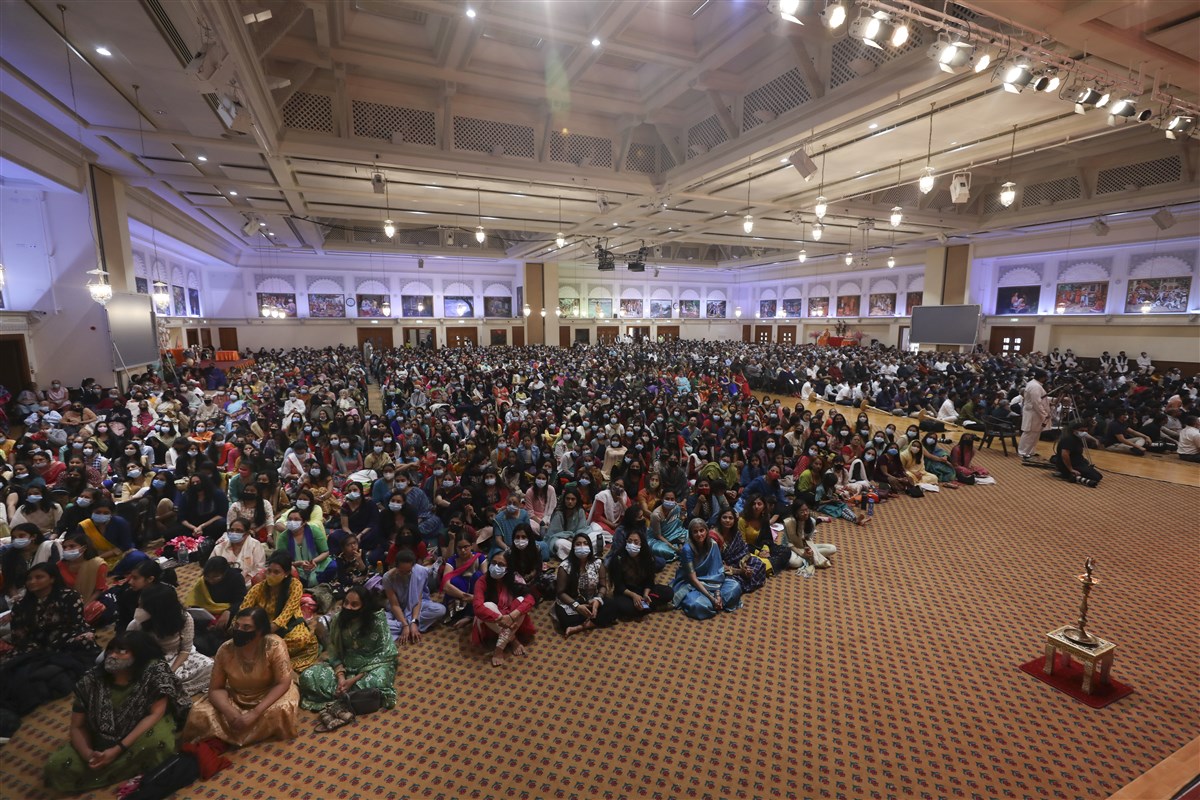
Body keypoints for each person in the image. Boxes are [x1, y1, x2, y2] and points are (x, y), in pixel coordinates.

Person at [43, 631, 192, 794]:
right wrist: (89, 755)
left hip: (138, 735)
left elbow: (155, 714)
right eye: (110, 650)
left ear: (138, 655)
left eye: (121, 651)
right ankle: (111, 765)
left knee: (158, 743)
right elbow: (77, 726)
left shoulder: (154, 671)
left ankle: (122, 765)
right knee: (55, 766)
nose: (112, 655)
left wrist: (117, 750)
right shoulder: (90, 682)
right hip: (101, 740)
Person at [182, 607, 300, 746]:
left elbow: (283, 683)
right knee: (198, 713)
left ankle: (233, 734)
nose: (239, 630)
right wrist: (230, 712)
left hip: (269, 695)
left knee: (282, 709)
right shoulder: (225, 649)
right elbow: (215, 689)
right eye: (237, 625)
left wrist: (255, 713)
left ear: (260, 631)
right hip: (237, 697)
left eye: (246, 627)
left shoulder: (274, 645)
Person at [0, 563, 101, 721]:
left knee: (84, 641)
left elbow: (76, 625)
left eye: (39, 577)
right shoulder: (21, 605)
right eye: (29, 579)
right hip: (36, 645)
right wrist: (36, 648)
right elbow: (19, 635)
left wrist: (52, 646)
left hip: (66, 638)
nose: (32, 582)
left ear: (52, 579)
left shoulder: (69, 596)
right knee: (10, 665)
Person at [299, 586, 397, 710]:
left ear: (364, 606)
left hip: (373, 667)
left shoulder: (377, 621)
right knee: (307, 676)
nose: (348, 607)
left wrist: (353, 680)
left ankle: (344, 694)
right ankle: (349, 695)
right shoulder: (338, 620)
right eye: (346, 603)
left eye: (354, 605)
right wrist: (341, 677)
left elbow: (386, 654)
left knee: (376, 682)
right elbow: (333, 650)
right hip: (346, 665)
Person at [239, 551, 320, 672]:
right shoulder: (258, 588)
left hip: (288, 623)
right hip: (262, 626)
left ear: (286, 573)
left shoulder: (295, 585)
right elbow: (243, 610)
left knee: (300, 639)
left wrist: (265, 633)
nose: (271, 575)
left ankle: (268, 656)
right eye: (269, 571)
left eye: (276, 572)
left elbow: (287, 613)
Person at [127, 583, 214, 695]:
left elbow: (185, 650)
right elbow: (132, 652)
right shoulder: (136, 624)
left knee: (209, 666)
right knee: (149, 681)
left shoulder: (184, 618)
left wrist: (171, 671)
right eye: (139, 605)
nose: (139, 610)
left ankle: (170, 689)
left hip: (178, 656)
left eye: (143, 607)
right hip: (153, 660)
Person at [472, 551, 536, 666]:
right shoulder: (482, 581)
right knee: (487, 606)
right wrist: (501, 619)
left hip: (512, 620)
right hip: (492, 623)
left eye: (501, 565)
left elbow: (530, 599)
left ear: (508, 569)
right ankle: (513, 640)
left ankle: (499, 648)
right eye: (493, 563)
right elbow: (478, 608)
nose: (496, 567)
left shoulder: (515, 579)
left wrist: (511, 616)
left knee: (522, 601)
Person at [670, 519, 742, 620]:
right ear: (691, 534)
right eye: (695, 532)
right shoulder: (687, 549)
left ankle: (717, 603)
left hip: (713, 581)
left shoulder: (713, 544)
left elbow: (717, 572)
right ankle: (716, 603)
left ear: (706, 531)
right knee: (696, 604)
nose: (699, 534)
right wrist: (712, 598)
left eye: (701, 530)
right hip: (693, 584)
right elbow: (693, 579)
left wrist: (717, 593)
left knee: (735, 586)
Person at [553, 533, 618, 637]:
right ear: (573, 547)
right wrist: (577, 606)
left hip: (592, 600)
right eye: (578, 544)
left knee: (613, 606)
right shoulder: (565, 567)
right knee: (566, 620)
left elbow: (603, 586)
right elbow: (561, 593)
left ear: (590, 547)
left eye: (585, 543)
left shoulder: (597, 563)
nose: (582, 547)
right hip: (572, 602)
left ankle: (581, 627)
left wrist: (598, 600)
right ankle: (593, 621)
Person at [186, 556, 247, 657]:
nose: (211, 580)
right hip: (208, 612)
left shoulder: (236, 578)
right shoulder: (203, 581)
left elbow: (242, 600)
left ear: (224, 573)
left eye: (215, 577)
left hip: (228, 611)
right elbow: (197, 601)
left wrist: (228, 611)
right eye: (208, 577)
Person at [382, 549, 446, 643]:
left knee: (440, 610)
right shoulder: (387, 578)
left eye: (408, 571)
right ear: (396, 566)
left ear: (413, 566)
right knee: (380, 624)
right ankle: (408, 628)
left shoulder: (419, 571)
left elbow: (418, 600)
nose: (405, 574)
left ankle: (409, 627)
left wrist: (414, 621)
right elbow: (394, 605)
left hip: (417, 606)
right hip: (398, 609)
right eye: (401, 571)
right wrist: (405, 625)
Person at [607, 530, 672, 620]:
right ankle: (648, 608)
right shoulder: (618, 558)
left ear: (642, 544)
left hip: (642, 589)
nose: (632, 544)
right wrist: (634, 596)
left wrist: (645, 594)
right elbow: (619, 586)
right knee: (624, 607)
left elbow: (649, 581)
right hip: (626, 592)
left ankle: (642, 608)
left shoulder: (648, 557)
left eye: (636, 542)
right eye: (629, 541)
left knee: (668, 592)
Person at [274, 508, 335, 587]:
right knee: (286, 573)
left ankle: (311, 583)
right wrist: (298, 563)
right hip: (296, 567)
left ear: (304, 522)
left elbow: (325, 552)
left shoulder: (314, 531)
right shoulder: (283, 537)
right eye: (290, 519)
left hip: (317, 563)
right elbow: (282, 561)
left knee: (333, 566)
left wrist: (314, 561)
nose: (292, 522)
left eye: (296, 520)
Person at [210, 516, 268, 585]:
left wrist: (241, 582)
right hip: (222, 583)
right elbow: (211, 568)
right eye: (231, 530)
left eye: (238, 530)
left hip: (248, 583)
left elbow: (259, 568)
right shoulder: (220, 547)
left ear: (247, 533)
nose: (234, 533)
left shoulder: (255, 545)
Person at [1054, 418, 1103, 488]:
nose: (1084, 432)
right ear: (1074, 431)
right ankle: (1068, 474)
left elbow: (1087, 436)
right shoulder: (1069, 440)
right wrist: (1071, 469)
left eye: (1086, 431)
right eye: (1082, 430)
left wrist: (1095, 440)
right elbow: (1065, 455)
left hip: (1076, 461)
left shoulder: (1078, 438)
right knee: (1095, 477)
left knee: (1098, 475)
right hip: (1069, 464)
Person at [1018, 370, 1049, 460]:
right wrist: (1044, 414)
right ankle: (1023, 452)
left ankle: (1030, 451)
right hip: (1033, 412)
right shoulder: (1035, 386)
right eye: (1045, 377)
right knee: (1029, 432)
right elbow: (1036, 402)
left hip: (1035, 412)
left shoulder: (1034, 384)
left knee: (1035, 433)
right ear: (1042, 377)